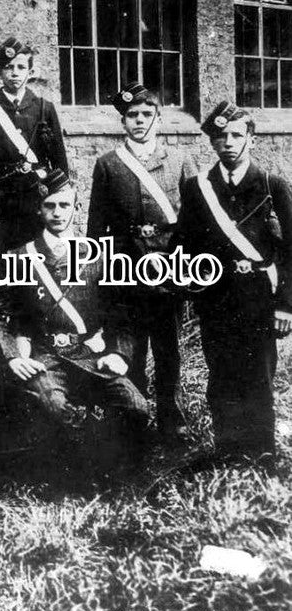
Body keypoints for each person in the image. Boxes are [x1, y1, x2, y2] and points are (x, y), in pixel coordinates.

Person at [0, 169, 151, 472]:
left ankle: (116, 471)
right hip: (43, 356)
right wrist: (13, 357)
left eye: (65, 205)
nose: (57, 213)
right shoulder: (19, 256)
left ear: (77, 209)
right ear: (39, 209)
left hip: (89, 355)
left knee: (136, 407)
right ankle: (81, 476)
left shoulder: (100, 256)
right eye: (50, 205)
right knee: (56, 408)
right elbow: (2, 316)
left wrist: (118, 353)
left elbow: (121, 312)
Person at [176, 101, 292, 460]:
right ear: (212, 143)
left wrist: (287, 305)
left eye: (237, 135)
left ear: (251, 140)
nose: (228, 142)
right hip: (217, 301)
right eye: (221, 136)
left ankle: (261, 455)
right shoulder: (198, 188)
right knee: (222, 377)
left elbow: (291, 250)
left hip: (259, 301)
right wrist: (189, 285)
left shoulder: (272, 185)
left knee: (258, 377)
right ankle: (227, 451)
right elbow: (184, 243)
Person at [86, 83, 197, 444]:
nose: (140, 121)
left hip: (169, 268)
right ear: (123, 121)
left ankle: (172, 419)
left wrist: (187, 266)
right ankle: (134, 415)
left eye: (147, 114)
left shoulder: (180, 161)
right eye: (132, 115)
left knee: (169, 350)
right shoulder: (108, 164)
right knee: (129, 348)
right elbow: (96, 227)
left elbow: (193, 220)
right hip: (126, 271)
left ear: (158, 118)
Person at [0, 37, 67, 253]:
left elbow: (59, 160)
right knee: (7, 263)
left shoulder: (44, 108)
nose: (15, 72)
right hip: (4, 203)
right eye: (8, 67)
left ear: (30, 72)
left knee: (42, 260)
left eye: (21, 67)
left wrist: (60, 196)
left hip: (38, 200)